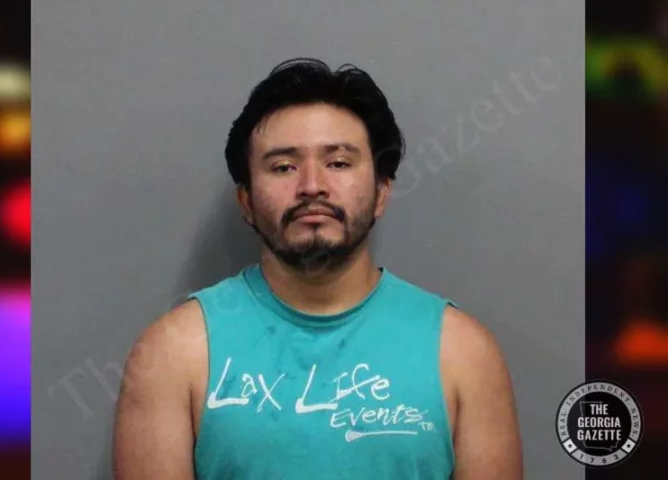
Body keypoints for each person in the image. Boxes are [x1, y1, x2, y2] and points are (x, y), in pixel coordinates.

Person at [113, 58, 523, 479]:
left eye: (339, 163)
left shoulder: (462, 353)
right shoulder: (172, 354)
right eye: (283, 167)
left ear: (381, 192)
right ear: (246, 201)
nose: (312, 186)